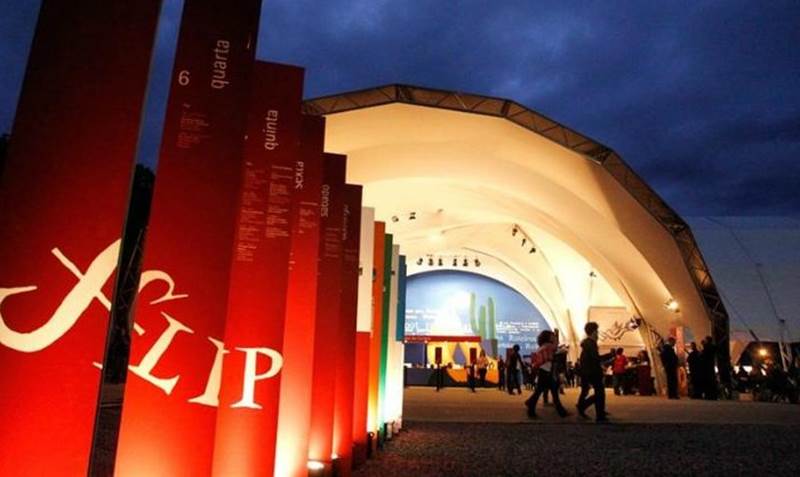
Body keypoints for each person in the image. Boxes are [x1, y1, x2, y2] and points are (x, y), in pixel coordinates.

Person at [525, 330, 569, 418]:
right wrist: (558, 343)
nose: (553, 337)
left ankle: (561, 411)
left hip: (544, 371)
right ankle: (531, 406)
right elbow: (557, 350)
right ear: (548, 337)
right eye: (552, 336)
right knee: (548, 392)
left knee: (545, 391)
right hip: (546, 372)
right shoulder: (548, 346)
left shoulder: (542, 346)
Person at [576, 322, 613, 422]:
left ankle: (599, 413)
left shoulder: (587, 344)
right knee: (600, 394)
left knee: (599, 393)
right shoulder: (591, 344)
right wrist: (609, 355)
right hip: (593, 372)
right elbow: (596, 358)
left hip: (589, 372)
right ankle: (590, 410)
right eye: (596, 331)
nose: (597, 333)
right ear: (593, 332)